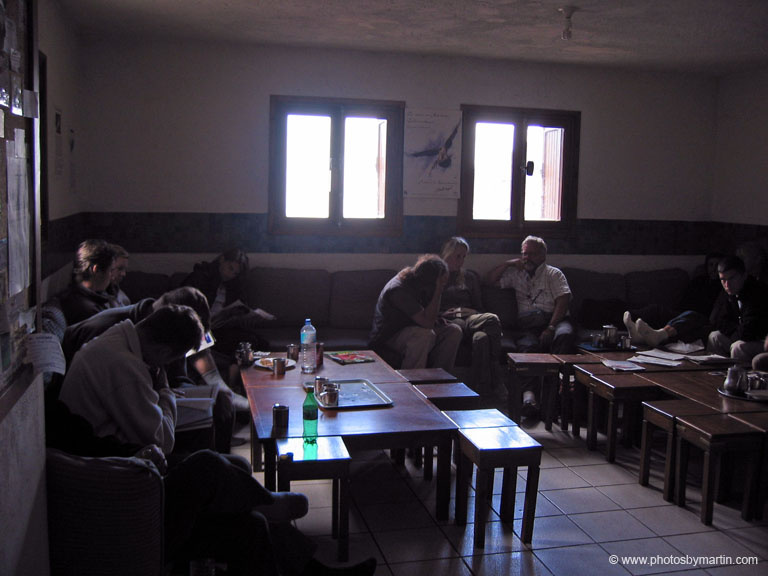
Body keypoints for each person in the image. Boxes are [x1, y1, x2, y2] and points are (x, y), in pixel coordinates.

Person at [57, 286, 245, 453]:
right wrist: (164, 390)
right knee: (209, 454)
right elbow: (161, 440)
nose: (167, 364)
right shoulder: (122, 359)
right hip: (107, 446)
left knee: (219, 403)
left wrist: (175, 391)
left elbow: (178, 374)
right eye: (170, 359)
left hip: (135, 411)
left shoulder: (131, 333)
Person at [486, 235, 576, 416]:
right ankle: (529, 397)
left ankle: (558, 392)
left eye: (532, 254)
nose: (527, 258)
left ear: (543, 255)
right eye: (524, 254)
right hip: (529, 325)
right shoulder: (516, 274)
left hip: (555, 321)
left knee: (565, 335)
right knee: (527, 346)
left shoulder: (554, 274)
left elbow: (563, 300)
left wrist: (551, 327)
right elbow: (490, 281)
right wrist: (509, 263)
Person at [629, 256, 768, 364]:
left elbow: (749, 329)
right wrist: (734, 329)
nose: (727, 284)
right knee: (713, 335)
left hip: (747, 337)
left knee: (733, 344)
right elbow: (722, 321)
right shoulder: (704, 283)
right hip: (725, 330)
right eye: (723, 280)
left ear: (743, 275)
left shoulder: (756, 293)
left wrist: (733, 329)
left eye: (732, 278)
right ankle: (713, 376)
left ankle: (738, 382)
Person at [369, 254, 463, 370]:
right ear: (429, 281)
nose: (444, 284)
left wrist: (438, 317)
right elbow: (427, 323)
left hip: (412, 326)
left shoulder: (419, 282)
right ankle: (414, 380)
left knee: (454, 330)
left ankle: (441, 378)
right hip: (390, 335)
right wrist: (439, 290)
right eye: (441, 282)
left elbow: (425, 315)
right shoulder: (399, 290)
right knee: (424, 334)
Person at [439, 237, 503, 397]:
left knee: (489, 324)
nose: (461, 261)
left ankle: (476, 389)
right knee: (477, 334)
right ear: (446, 254)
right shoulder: (437, 276)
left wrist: (469, 311)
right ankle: (493, 380)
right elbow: (427, 307)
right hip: (450, 320)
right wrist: (442, 314)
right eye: (457, 256)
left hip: (470, 317)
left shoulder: (469, 277)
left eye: (464, 257)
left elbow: (479, 308)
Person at [182, 248, 276, 356]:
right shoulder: (201, 277)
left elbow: (238, 308)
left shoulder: (233, 285)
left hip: (222, 329)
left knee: (261, 343)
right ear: (222, 260)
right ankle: (234, 369)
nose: (230, 274)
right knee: (246, 342)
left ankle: (252, 371)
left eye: (235, 273)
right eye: (230, 268)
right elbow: (185, 308)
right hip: (203, 331)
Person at [57, 239, 119, 324]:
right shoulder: (87, 310)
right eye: (111, 271)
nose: (113, 276)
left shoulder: (90, 297)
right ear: (96, 270)